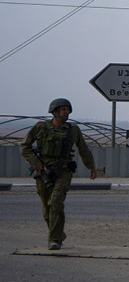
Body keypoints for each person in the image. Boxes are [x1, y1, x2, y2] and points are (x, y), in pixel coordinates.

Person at [20, 98, 98, 250]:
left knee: (55, 203)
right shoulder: (41, 127)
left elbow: (83, 149)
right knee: (47, 209)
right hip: (43, 171)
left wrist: (91, 167)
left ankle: (54, 240)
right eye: (63, 109)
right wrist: (35, 162)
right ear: (54, 112)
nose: (67, 112)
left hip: (63, 171)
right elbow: (25, 146)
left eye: (68, 109)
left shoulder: (73, 130)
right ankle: (59, 233)